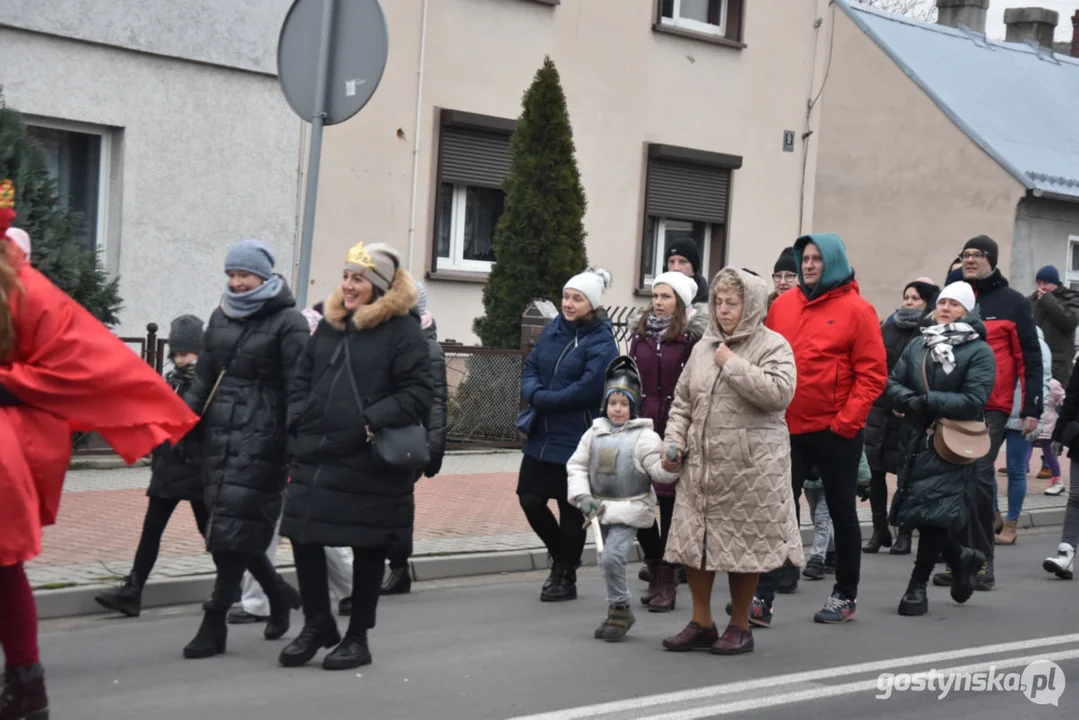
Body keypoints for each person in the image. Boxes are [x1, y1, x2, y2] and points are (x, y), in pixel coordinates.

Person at [0, 182, 199, 719]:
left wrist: (7, 384)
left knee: (3, 566)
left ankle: (25, 684)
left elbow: (80, 361)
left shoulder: (28, 291)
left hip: (4, 448)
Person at [278, 242, 432, 671]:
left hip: (369, 459)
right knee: (303, 535)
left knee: (368, 545)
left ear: (378, 286)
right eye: (346, 276)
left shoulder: (402, 330)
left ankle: (357, 637)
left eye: (358, 278)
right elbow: (302, 376)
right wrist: (297, 417)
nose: (348, 285)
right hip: (317, 451)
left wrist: (370, 420)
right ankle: (317, 625)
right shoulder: (331, 324)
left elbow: (419, 393)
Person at [658, 267, 802, 655]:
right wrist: (673, 442)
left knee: (744, 547)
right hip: (702, 466)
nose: (723, 311)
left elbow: (778, 394)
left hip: (750, 469)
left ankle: (740, 625)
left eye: (732, 304)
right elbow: (683, 401)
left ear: (750, 305)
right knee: (695, 544)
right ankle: (701, 621)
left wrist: (731, 363)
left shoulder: (773, 345)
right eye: (719, 302)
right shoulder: (702, 347)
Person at [180, 239, 309, 659]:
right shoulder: (220, 317)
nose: (236, 283)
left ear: (264, 277)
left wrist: (295, 445)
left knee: (234, 530)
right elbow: (203, 379)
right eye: (231, 275)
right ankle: (278, 593)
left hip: (264, 438)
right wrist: (180, 423)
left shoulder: (289, 322)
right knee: (228, 527)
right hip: (219, 435)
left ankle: (213, 622)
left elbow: (297, 388)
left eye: (244, 275)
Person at [761, 233, 887, 624]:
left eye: (816, 258)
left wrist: (845, 424)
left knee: (841, 513)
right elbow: (767, 358)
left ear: (833, 261)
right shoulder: (782, 307)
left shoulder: (858, 310)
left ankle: (844, 596)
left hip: (836, 431)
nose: (809, 265)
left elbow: (872, 375)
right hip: (787, 427)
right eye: (805, 259)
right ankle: (760, 598)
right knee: (777, 513)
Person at [933, 235, 1042, 592]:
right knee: (952, 479)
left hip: (991, 406)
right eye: (965, 254)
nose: (970, 260)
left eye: (977, 255)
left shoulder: (1011, 303)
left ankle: (982, 562)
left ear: (992, 260)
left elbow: (1029, 357)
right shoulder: (954, 297)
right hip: (951, 401)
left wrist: (1031, 407)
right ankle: (957, 559)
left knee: (979, 477)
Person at [886, 281, 995, 616]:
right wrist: (909, 400)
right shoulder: (920, 343)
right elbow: (892, 382)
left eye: (955, 304)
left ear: (968, 311)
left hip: (952, 442)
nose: (946, 308)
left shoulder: (978, 351)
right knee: (916, 511)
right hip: (917, 437)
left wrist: (929, 400)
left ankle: (916, 587)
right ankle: (961, 556)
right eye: (943, 302)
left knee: (934, 514)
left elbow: (976, 399)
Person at [94, 315, 209, 617]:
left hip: (195, 469)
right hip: (170, 468)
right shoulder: (172, 383)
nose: (183, 360)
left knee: (211, 531)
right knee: (152, 531)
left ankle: (239, 582)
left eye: (188, 354)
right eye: (178, 354)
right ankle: (133, 590)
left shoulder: (206, 385)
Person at [518, 268, 619, 602]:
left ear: (591, 303)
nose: (569, 304)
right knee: (530, 497)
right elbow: (531, 365)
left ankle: (564, 573)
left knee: (570, 507)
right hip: (542, 430)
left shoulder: (602, 339)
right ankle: (562, 555)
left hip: (577, 433)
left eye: (577, 298)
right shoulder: (554, 329)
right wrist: (534, 392)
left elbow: (590, 388)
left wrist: (546, 400)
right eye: (566, 296)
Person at [566, 357, 676, 642]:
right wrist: (582, 496)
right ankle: (617, 608)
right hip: (599, 509)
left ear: (634, 406)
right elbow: (577, 466)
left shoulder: (645, 436)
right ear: (605, 404)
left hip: (630, 508)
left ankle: (621, 609)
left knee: (613, 556)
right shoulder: (594, 433)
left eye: (624, 403)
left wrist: (670, 463)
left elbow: (657, 469)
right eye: (613, 402)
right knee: (606, 560)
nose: (617, 408)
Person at [629, 271, 706, 612]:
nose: (657, 302)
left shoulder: (690, 340)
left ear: (680, 303)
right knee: (640, 505)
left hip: (677, 427)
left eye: (666, 296)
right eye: (655, 295)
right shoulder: (641, 334)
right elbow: (630, 376)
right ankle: (658, 569)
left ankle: (668, 580)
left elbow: (695, 387)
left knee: (672, 508)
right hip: (644, 424)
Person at [863, 279, 939, 556]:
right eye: (906, 297)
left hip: (909, 411)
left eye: (916, 298)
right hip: (881, 410)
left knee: (906, 476)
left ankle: (904, 533)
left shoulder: (931, 331)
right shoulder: (888, 327)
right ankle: (879, 529)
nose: (908, 302)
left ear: (927, 302)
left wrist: (908, 401)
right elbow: (875, 364)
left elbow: (927, 372)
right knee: (875, 473)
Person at [382, 281, 448, 596]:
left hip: (407, 440)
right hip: (381, 434)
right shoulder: (384, 339)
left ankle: (398, 568)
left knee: (397, 503)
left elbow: (436, 403)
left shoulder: (428, 347)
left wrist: (434, 448)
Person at [996, 327, 1051, 545]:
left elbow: (1043, 382)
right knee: (980, 465)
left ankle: (1011, 524)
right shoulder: (1000, 339)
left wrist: (1036, 414)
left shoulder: (1037, 344)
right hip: (996, 411)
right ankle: (994, 515)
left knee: (1016, 469)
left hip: (1021, 416)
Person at [1028, 265, 1079, 482]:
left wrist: (1047, 300)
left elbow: (1068, 321)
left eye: (1045, 283)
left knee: (1054, 413)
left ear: (1055, 283)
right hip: (1037, 361)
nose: (1041, 288)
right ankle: (1023, 459)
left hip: (1058, 364)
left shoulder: (1070, 298)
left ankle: (1049, 462)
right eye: (1038, 283)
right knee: (1033, 409)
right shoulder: (1032, 300)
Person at [1034, 377, 1065, 496]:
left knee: (1049, 452)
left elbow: (1063, 400)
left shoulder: (1053, 383)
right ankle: (1017, 476)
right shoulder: (1028, 379)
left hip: (1047, 424)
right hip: (1033, 423)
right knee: (1026, 452)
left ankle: (1057, 479)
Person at [664, 239, 710, 305]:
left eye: (682, 262)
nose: (675, 268)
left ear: (693, 269)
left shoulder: (709, 303)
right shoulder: (659, 298)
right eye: (671, 262)